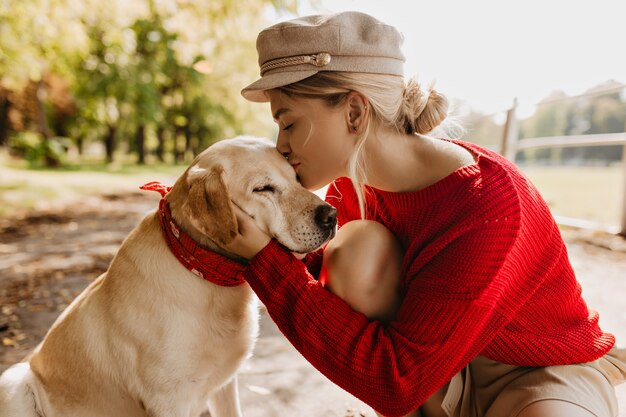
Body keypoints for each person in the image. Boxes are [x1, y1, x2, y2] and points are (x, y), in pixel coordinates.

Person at [218, 11, 626, 417]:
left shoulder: (490, 204)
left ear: (355, 113)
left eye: (287, 123)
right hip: (437, 381)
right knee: (357, 248)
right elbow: (311, 287)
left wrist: (263, 261)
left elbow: (397, 382)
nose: (281, 145)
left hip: (536, 373)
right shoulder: (354, 186)